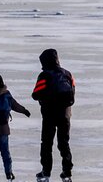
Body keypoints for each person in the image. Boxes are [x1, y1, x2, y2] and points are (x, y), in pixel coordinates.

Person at [32, 49, 76, 182]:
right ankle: (67, 172)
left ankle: (46, 172)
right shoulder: (67, 74)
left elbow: (35, 94)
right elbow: (72, 91)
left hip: (49, 114)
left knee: (46, 143)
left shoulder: (44, 75)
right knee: (64, 143)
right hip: (65, 114)